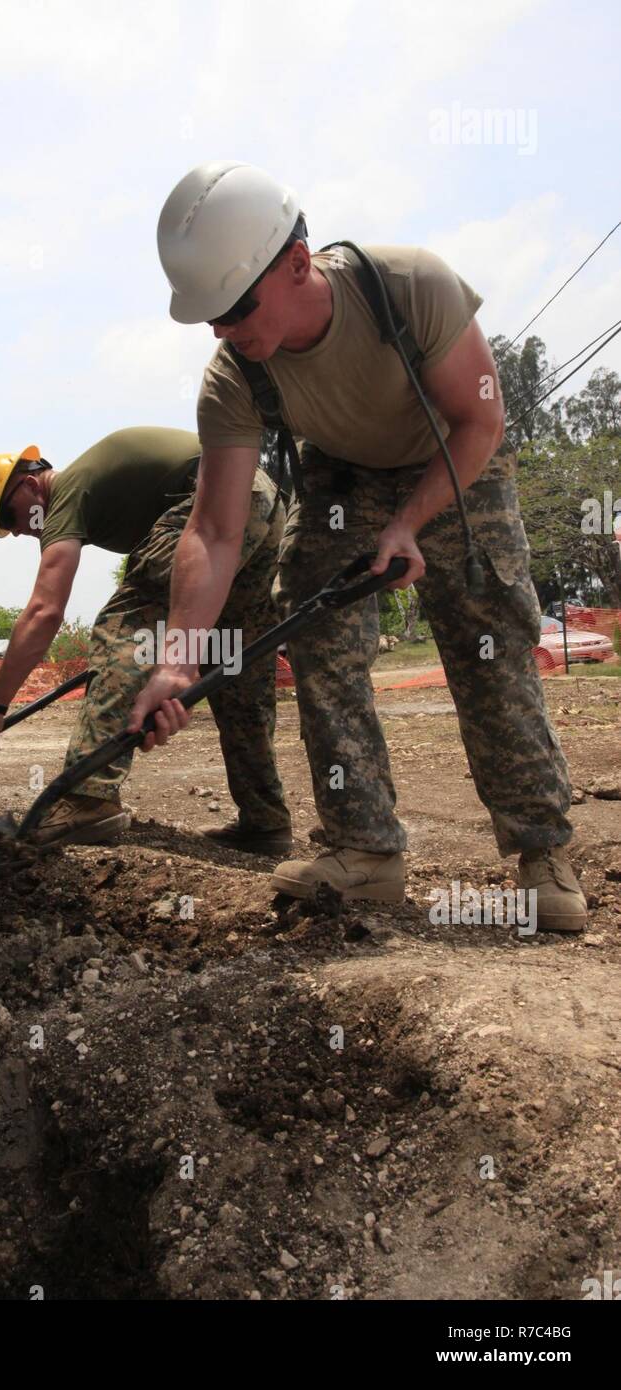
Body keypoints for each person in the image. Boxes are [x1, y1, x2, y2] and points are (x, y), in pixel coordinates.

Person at [129, 161, 586, 933]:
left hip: (453, 458)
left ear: (299, 264)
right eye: (209, 317)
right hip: (344, 476)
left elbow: (481, 422)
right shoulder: (233, 378)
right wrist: (178, 658)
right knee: (313, 625)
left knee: (489, 643)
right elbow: (215, 528)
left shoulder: (411, 287)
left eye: (235, 307)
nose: (223, 331)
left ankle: (543, 857)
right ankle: (365, 851)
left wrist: (411, 521)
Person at [0, 426, 292, 851]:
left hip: (218, 495)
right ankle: (265, 822)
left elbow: (45, 612)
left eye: (10, 516)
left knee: (124, 626)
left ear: (30, 485)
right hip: (262, 501)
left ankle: (88, 796)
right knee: (231, 666)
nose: (19, 531)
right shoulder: (91, 488)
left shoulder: (65, 492)